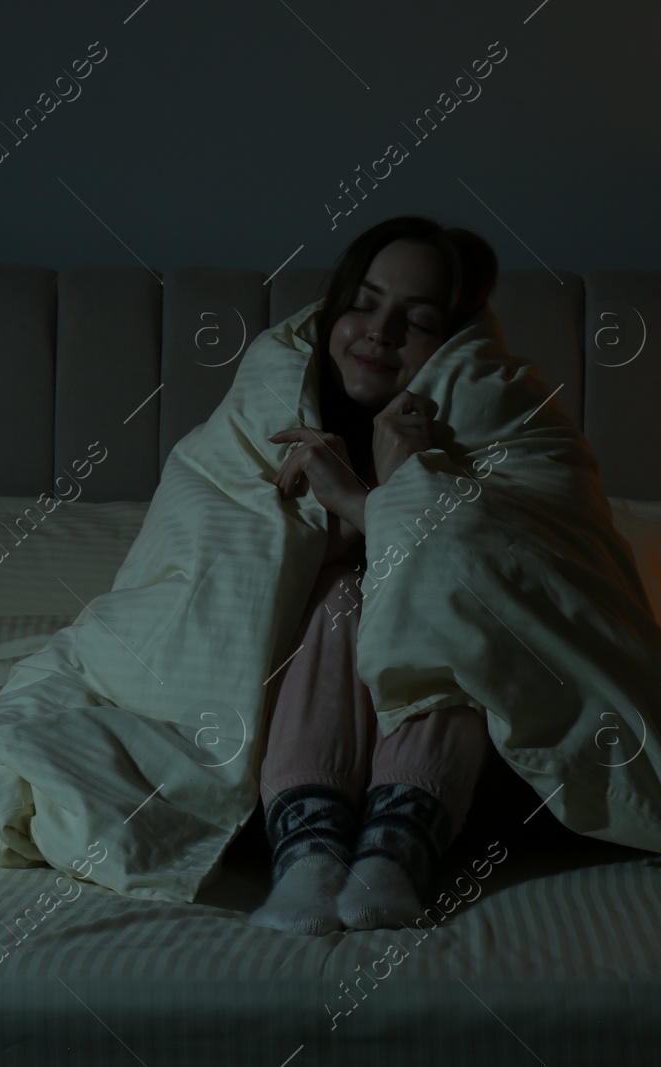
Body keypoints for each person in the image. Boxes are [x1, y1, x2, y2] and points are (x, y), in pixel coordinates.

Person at [250, 215, 501, 935]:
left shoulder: (488, 428)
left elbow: (503, 573)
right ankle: (310, 849)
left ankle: (397, 846)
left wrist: (378, 495)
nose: (380, 331)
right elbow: (251, 566)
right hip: (291, 722)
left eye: (416, 320)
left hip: (471, 762)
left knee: (447, 600)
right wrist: (349, 522)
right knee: (340, 593)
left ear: (453, 344)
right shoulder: (275, 412)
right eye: (362, 303)